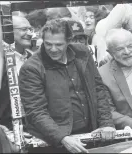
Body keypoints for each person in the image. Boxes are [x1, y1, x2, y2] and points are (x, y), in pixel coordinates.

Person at [18, 19, 115, 153]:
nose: (53, 49)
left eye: (59, 45)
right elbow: (36, 111)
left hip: (90, 133)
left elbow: (98, 89)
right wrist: (61, 138)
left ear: (69, 41)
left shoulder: (82, 52)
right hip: (52, 142)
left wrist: (106, 124)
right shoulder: (31, 67)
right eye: (48, 44)